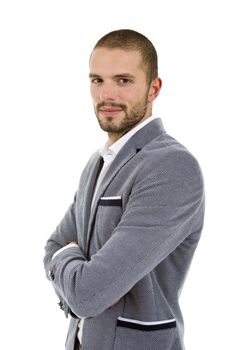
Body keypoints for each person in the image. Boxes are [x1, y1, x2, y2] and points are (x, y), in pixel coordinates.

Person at [43, 29, 205, 350]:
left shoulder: (172, 167)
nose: (107, 94)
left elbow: (88, 294)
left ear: (153, 88)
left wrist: (72, 267)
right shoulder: (96, 164)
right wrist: (78, 268)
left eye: (124, 80)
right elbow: (54, 244)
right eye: (97, 80)